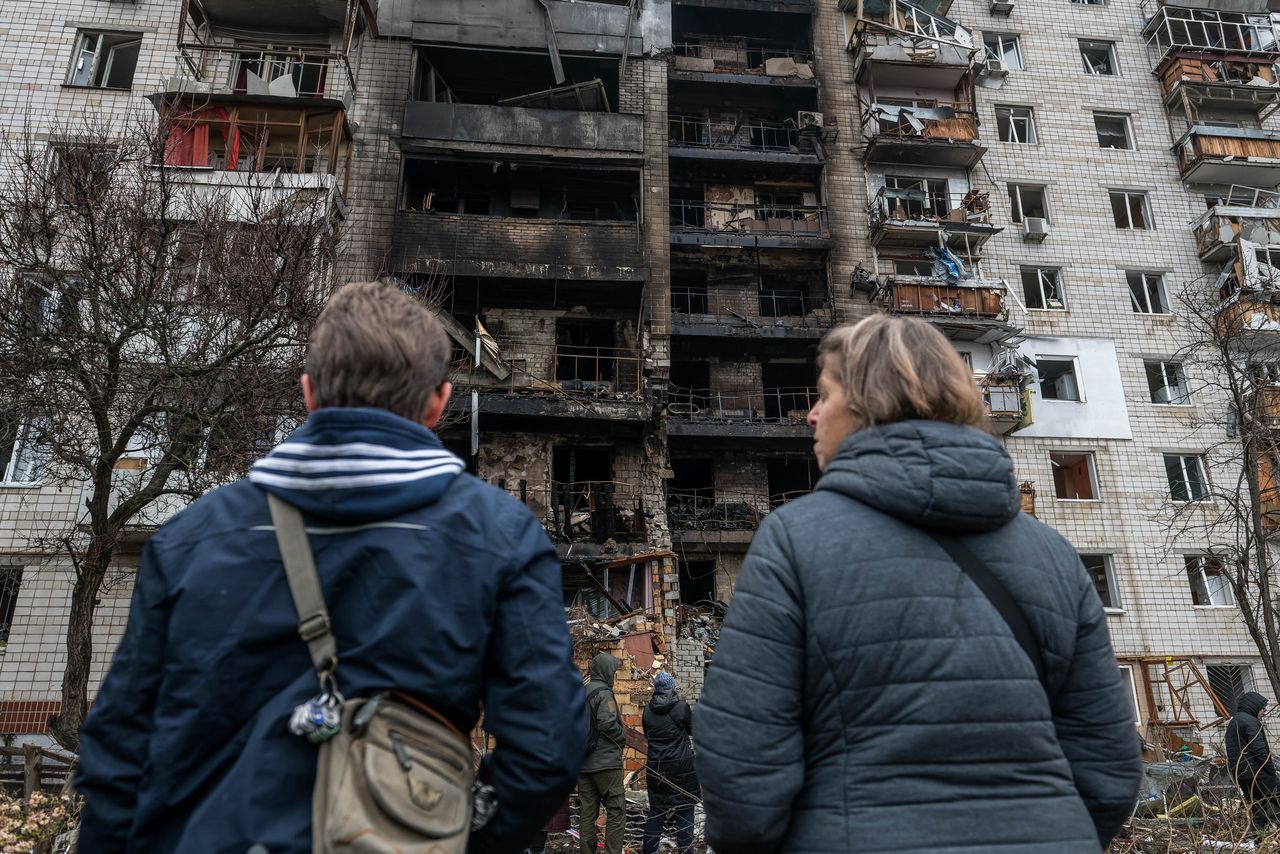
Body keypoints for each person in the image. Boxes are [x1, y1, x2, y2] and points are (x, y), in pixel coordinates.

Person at [74, 281, 587, 853]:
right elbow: (546, 746)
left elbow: (119, 749)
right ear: (439, 403)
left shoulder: (192, 537)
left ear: (309, 393)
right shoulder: (503, 537)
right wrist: (454, 837)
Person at [694, 314, 1143, 853]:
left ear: (869, 404)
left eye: (824, 396)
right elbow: (1110, 768)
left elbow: (743, 770)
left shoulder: (795, 541)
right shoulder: (1053, 556)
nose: (811, 415)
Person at [642, 671, 699, 854]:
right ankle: (685, 851)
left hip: (657, 770)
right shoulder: (681, 707)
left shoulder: (647, 711)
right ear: (672, 687)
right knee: (684, 810)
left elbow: (647, 735)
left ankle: (649, 851)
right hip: (681, 769)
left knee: (656, 811)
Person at [579, 652, 627, 854]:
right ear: (606, 671)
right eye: (613, 671)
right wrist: (622, 736)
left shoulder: (581, 692)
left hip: (583, 765)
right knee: (616, 811)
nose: (614, 675)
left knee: (587, 815)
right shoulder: (603, 693)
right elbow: (607, 723)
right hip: (606, 764)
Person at [1226, 691, 1280, 829]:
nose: (1264, 712)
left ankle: (1258, 842)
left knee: (1257, 810)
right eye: (1262, 709)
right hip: (1258, 773)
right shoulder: (1251, 722)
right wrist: (1271, 771)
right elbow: (1260, 751)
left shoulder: (1234, 722)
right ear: (1254, 707)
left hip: (1242, 775)